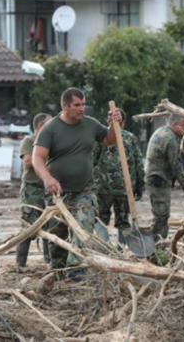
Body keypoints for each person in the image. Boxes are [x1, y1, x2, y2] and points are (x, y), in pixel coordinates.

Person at [31, 87, 122, 280]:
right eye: (77, 105)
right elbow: (37, 158)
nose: (82, 109)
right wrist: (47, 178)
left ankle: (76, 268)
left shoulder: (90, 124)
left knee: (83, 224)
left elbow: (109, 139)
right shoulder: (51, 128)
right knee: (58, 239)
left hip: (85, 189)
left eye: (83, 104)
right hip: (58, 193)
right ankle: (58, 272)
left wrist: (114, 124)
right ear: (65, 106)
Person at [92, 108, 145, 244]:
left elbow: (92, 160)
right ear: (123, 122)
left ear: (107, 121)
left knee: (101, 218)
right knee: (123, 221)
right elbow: (139, 164)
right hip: (124, 188)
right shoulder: (131, 138)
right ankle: (123, 248)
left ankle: (105, 246)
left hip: (103, 187)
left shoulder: (100, 139)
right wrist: (139, 187)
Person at [145, 114, 184, 241]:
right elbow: (176, 166)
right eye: (183, 125)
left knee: (161, 215)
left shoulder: (161, 131)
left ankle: (155, 244)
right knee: (161, 216)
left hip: (155, 178)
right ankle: (154, 246)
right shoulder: (170, 139)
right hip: (158, 179)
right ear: (174, 124)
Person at [15, 113, 51, 268]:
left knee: (50, 228)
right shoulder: (29, 141)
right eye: (49, 124)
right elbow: (29, 161)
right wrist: (43, 154)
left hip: (47, 189)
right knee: (28, 228)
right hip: (32, 189)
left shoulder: (51, 142)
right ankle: (20, 264)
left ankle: (49, 263)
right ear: (40, 127)